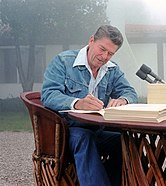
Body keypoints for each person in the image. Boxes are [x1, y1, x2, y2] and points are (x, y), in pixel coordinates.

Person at [41, 25, 138, 186]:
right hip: (68, 131)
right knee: (84, 138)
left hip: (99, 130)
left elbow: (130, 92)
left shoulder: (112, 69)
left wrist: (123, 100)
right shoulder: (63, 62)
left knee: (125, 141)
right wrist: (77, 103)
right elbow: (48, 94)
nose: (104, 57)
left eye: (110, 53)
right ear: (91, 40)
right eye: (102, 49)